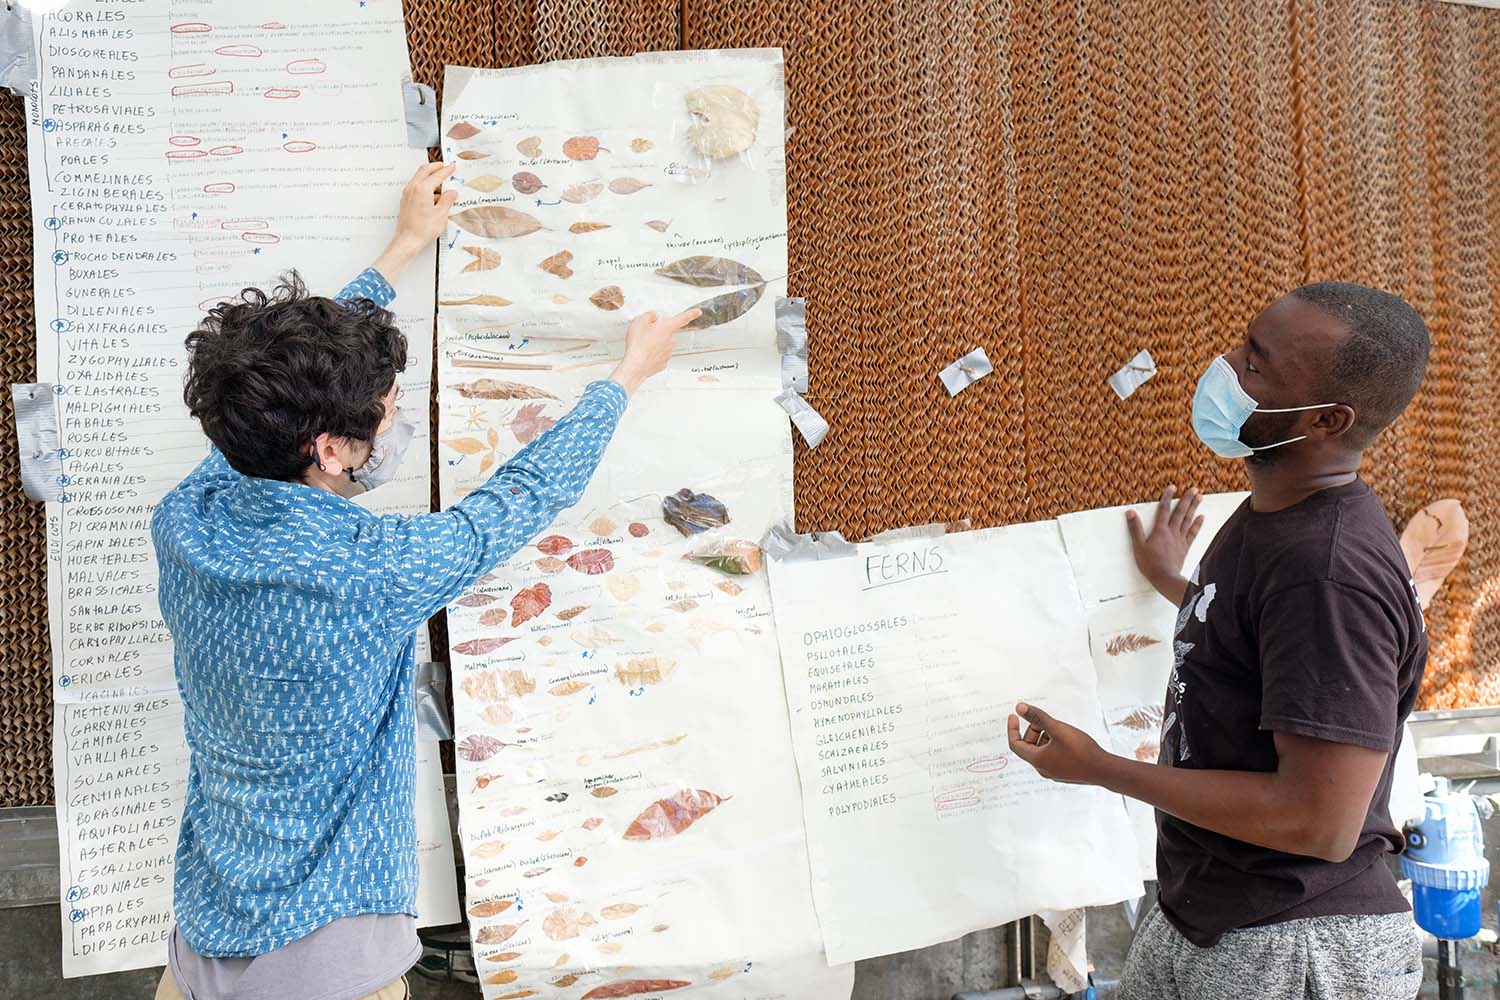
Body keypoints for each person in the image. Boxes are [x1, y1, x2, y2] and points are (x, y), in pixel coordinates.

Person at [151, 161, 701, 1000]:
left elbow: (269, 384)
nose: (395, 417)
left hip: (199, 947)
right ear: (328, 449)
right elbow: (520, 497)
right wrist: (625, 379)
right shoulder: (368, 570)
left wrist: (403, 248)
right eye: (386, 410)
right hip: (329, 967)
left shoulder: (186, 516)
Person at [1007, 282, 1431, 1000]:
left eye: (1256, 367)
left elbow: (1320, 822)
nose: (1224, 369)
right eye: (1243, 344)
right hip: (1211, 913)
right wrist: (1178, 582)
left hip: (1296, 945)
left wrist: (1102, 768)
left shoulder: (1326, 573)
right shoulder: (1277, 519)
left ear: (1327, 419)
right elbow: (1264, 641)